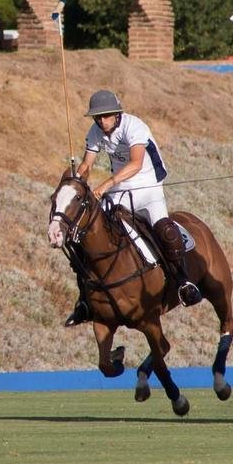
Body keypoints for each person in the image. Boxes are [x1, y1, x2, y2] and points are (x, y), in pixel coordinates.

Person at [63, 89, 201, 327]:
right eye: (98, 117)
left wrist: (106, 184)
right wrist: (75, 178)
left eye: (106, 116)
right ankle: (85, 299)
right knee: (89, 234)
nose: (102, 121)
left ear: (117, 114)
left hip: (148, 187)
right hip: (119, 193)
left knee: (165, 229)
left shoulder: (134, 126)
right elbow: (87, 163)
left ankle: (182, 281)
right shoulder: (95, 132)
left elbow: (136, 163)